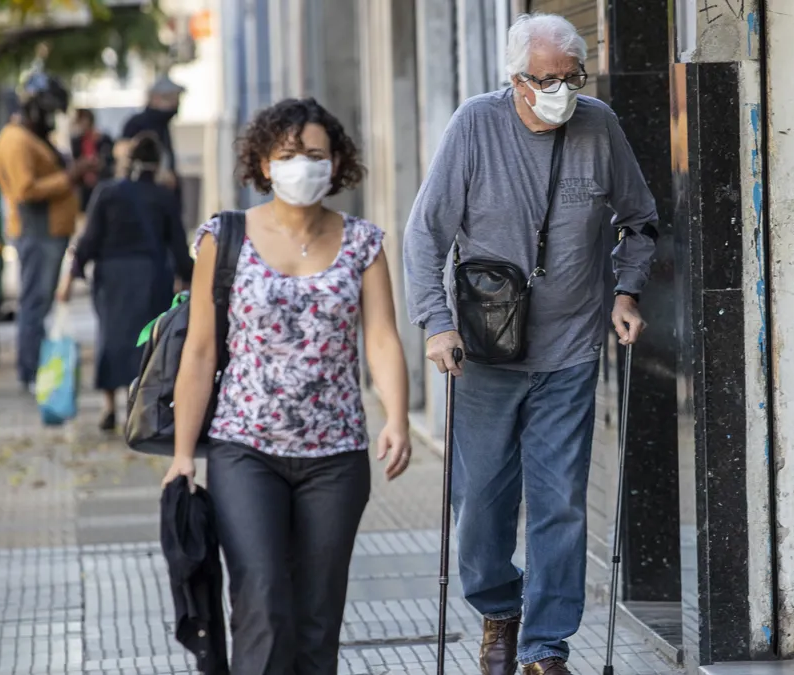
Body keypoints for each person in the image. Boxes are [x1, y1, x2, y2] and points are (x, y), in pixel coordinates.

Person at [402, 12, 657, 675]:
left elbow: (641, 218)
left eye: (571, 76)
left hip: (570, 351)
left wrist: (626, 293)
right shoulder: (474, 127)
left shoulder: (599, 125)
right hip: (485, 350)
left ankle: (546, 646)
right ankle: (498, 605)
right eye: (545, 79)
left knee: (561, 503)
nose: (561, 90)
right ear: (514, 80)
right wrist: (436, 321)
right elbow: (424, 234)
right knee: (481, 501)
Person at [162, 98, 412, 674]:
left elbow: (380, 339)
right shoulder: (223, 238)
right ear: (264, 163)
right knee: (264, 601)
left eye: (316, 154)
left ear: (337, 164)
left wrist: (397, 418)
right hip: (244, 450)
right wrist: (182, 455)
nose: (304, 165)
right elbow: (200, 351)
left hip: (336, 457)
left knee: (318, 618)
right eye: (289, 154)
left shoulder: (364, 244)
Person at [56, 132, 194, 431]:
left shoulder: (107, 192)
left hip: (111, 277)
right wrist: (191, 278)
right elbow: (180, 249)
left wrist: (69, 279)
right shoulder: (164, 196)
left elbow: (88, 240)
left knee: (111, 339)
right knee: (148, 343)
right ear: (158, 165)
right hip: (151, 276)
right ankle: (144, 407)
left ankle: (109, 406)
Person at [0, 71, 96, 393]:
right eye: (48, 112)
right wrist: (70, 177)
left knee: (39, 302)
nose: (51, 120)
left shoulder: (31, 137)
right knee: (34, 303)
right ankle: (30, 371)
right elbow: (25, 189)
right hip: (36, 232)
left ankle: (32, 366)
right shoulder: (16, 141)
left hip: (48, 231)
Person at [119, 75, 185, 192]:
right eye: (171, 98)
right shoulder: (137, 123)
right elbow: (122, 153)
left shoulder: (163, 125)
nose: (176, 104)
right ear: (156, 98)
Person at [70, 108, 115, 212]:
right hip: (84, 184)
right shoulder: (76, 140)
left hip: (100, 181)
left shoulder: (103, 139)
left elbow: (109, 161)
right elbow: (76, 160)